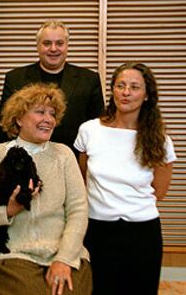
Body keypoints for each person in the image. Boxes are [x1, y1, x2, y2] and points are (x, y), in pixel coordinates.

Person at [0, 83, 92, 295]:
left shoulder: (64, 155)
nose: (48, 119)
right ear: (19, 118)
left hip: (62, 253)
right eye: (40, 112)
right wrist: (8, 211)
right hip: (11, 256)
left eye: (52, 114)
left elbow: (78, 210)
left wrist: (64, 258)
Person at [74, 62, 176, 295]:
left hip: (142, 234)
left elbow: (159, 190)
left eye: (134, 87)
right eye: (120, 85)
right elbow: (82, 178)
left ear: (147, 95)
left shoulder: (159, 140)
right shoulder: (90, 130)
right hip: (97, 230)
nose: (126, 92)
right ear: (112, 90)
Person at [0, 19, 104, 157]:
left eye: (59, 43)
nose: (53, 49)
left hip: (72, 161)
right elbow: (4, 127)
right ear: (38, 46)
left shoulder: (89, 80)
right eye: (47, 43)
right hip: (25, 161)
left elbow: (98, 129)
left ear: (67, 46)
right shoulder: (16, 78)